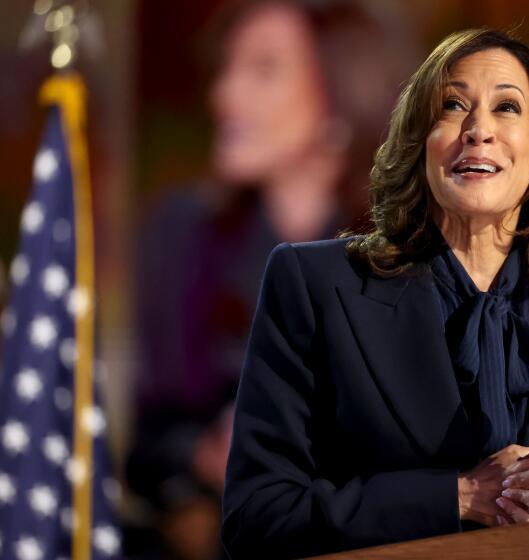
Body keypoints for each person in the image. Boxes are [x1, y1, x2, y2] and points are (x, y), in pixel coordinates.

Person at [222, 28, 529, 558]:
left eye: (507, 108)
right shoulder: (317, 286)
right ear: (419, 146)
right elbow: (258, 517)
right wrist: (459, 496)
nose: (478, 129)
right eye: (453, 105)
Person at [127, 2, 414, 558]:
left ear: (340, 98)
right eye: (227, 68)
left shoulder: (411, 254)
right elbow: (146, 447)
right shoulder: (180, 234)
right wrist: (205, 453)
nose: (224, 96)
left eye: (263, 70)